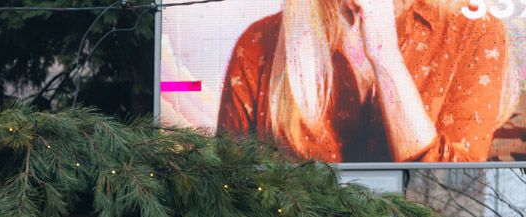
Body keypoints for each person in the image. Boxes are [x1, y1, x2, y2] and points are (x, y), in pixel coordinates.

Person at [217, 0, 518, 163]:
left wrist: (385, 57)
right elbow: (228, 196)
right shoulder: (259, 44)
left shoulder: (472, 32)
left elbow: (454, 187)